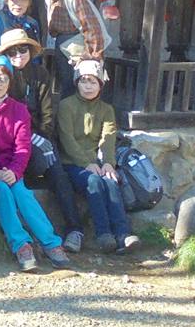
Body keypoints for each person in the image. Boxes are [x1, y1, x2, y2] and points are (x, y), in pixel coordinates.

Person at [0, 56, 71, 273]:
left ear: (10, 82)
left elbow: (23, 147)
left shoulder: (19, 110)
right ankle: (21, 245)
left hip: (11, 168)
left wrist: (14, 171)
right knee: (2, 191)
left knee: (22, 193)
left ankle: (51, 242)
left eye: (3, 78)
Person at [0, 28, 85, 252]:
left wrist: (41, 136)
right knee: (17, 181)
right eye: (12, 52)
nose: (18, 55)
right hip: (12, 141)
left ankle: (75, 229)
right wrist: (28, 138)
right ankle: (24, 237)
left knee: (58, 172)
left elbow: (48, 112)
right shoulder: (1, 77)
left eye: (23, 49)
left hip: (40, 136)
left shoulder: (40, 74)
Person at [57, 60, 137, 254]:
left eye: (93, 82)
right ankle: (103, 234)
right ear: (77, 83)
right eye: (83, 81)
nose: (88, 86)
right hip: (73, 163)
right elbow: (67, 139)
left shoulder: (106, 109)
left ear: (100, 84)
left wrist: (109, 163)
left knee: (110, 181)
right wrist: (86, 163)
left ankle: (123, 234)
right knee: (93, 181)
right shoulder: (66, 106)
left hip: (97, 162)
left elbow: (108, 138)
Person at [34, 0, 110, 93]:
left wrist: (91, 56)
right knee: (66, 87)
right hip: (62, 45)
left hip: (79, 48)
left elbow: (92, 28)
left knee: (81, 88)